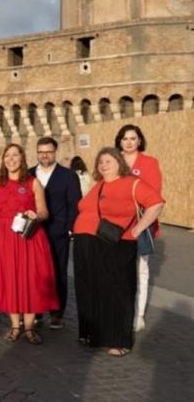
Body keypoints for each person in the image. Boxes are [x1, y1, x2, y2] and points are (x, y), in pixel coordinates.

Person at [73, 147, 164, 356]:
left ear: (119, 163)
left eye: (108, 161)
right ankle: (92, 334)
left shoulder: (132, 183)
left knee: (118, 291)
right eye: (100, 162)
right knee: (90, 289)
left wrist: (138, 228)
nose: (103, 165)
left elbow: (156, 203)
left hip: (116, 243)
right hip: (86, 243)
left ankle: (119, 340)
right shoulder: (99, 185)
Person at [0, 144, 59, 345]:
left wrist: (36, 215)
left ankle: (29, 326)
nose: (11, 159)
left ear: (22, 158)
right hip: (4, 239)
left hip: (29, 237)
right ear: (2, 160)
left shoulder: (33, 183)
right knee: (10, 279)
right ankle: (15, 325)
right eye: (7, 156)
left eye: (15, 155)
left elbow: (44, 212)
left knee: (30, 280)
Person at [29, 137, 81, 329]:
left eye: (48, 151)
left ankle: (57, 313)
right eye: (41, 151)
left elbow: (74, 204)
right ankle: (36, 309)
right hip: (33, 233)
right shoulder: (28, 174)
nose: (44, 155)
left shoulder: (68, 176)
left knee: (58, 272)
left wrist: (68, 229)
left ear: (55, 152)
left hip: (57, 233)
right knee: (35, 273)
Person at [115, 124, 163, 332]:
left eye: (133, 138)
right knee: (118, 270)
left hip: (140, 224)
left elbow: (153, 193)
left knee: (140, 270)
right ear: (119, 142)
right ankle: (120, 310)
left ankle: (139, 314)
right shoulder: (113, 162)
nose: (129, 142)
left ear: (139, 141)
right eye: (125, 138)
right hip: (116, 225)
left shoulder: (149, 163)